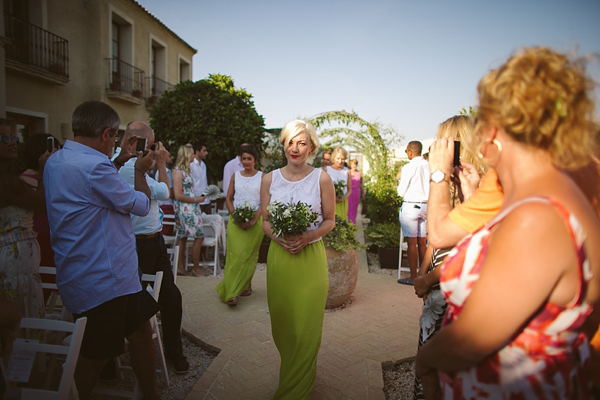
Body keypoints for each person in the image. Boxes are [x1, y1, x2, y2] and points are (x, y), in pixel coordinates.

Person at [416, 47, 600, 399]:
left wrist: (427, 359)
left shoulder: (537, 217)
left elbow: (471, 340)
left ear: (493, 130)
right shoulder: (550, 191)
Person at [43, 101, 160, 400]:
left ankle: (151, 396)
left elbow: (92, 192)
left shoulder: (56, 160)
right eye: (115, 136)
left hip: (95, 274)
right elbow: (141, 204)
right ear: (107, 134)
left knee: (142, 334)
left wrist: (120, 160)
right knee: (93, 356)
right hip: (104, 280)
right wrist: (140, 172)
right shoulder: (96, 167)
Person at [412, 115, 489, 400]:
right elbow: (435, 236)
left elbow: (471, 250)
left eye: (444, 140)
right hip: (434, 287)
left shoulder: (477, 186)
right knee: (427, 363)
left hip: (453, 289)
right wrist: (422, 276)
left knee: (438, 370)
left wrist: (428, 279)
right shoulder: (448, 184)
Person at [260, 120, 335, 399]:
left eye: (302, 142)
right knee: (283, 325)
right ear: (283, 145)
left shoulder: (322, 179)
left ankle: (297, 389)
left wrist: (309, 235)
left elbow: (330, 220)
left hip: (310, 258)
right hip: (280, 259)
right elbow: (265, 222)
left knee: (306, 326)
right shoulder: (269, 179)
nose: (295, 148)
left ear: (311, 147)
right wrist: (276, 237)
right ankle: (291, 372)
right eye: (290, 142)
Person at [114, 121, 189, 374]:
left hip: (153, 242)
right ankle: (117, 358)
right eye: (151, 144)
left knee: (171, 297)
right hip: (135, 244)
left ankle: (173, 353)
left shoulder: (136, 168)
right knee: (137, 304)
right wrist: (160, 163)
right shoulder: (125, 168)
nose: (155, 149)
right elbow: (165, 191)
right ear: (135, 142)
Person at [0, 119, 47, 323]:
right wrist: (44, 170)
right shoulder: (7, 182)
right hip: (15, 257)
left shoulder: (10, 178)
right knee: (25, 317)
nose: (12, 142)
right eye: (4, 138)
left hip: (14, 254)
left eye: (13, 137)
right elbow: (43, 205)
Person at [216, 144, 263, 305]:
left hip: (255, 222)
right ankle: (232, 292)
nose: (246, 161)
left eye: (249, 158)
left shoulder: (262, 177)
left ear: (255, 160)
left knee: (249, 255)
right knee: (235, 256)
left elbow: (264, 202)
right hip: (235, 222)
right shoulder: (236, 175)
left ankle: (246, 285)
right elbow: (228, 198)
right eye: (244, 159)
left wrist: (254, 220)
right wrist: (235, 215)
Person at [397, 140, 430, 285]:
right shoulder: (429, 165)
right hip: (425, 206)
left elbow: (401, 191)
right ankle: (424, 275)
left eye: (406, 151)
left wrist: (398, 180)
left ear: (410, 151)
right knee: (423, 243)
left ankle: (413, 277)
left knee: (411, 243)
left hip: (411, 206)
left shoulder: (408, 167)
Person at [173, 144, 205, 277]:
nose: (194, 156)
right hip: (184, 209)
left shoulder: (186, 171)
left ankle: (181, 266)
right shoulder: (177, 172)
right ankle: (195, 267)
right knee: (198, 235)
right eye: (192, 154)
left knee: (183, 237)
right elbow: (177, 195)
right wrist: (196, 200)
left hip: (191, 207)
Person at [326, 147, 352, 221]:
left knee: (342, 223)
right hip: (329, 202)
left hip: (342, 202)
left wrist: (344, 197)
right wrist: (333, 198)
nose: (340, 161)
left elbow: (350, 190)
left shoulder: (347, 171)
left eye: (342, 159)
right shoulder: (326, 170)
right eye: (338, 158)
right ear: (333, 158)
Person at [190, 141, 210, 212]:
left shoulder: (203, 164)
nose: (206, 153)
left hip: (206, 200)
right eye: (204, 151)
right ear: (197, 151)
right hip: (196, 200)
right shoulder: (191, 165)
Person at [346, 159, 364, 224]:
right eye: (353, 164)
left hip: (357, 192)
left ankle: (353, 223)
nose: (354, 165)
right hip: (349, 192)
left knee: (355, 208)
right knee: (349, 208)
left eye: (355, 164)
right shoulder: (348, 173)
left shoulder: (359, 173)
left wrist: (363, 193)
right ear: (350, 165)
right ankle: (350, 222)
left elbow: (361, 184)